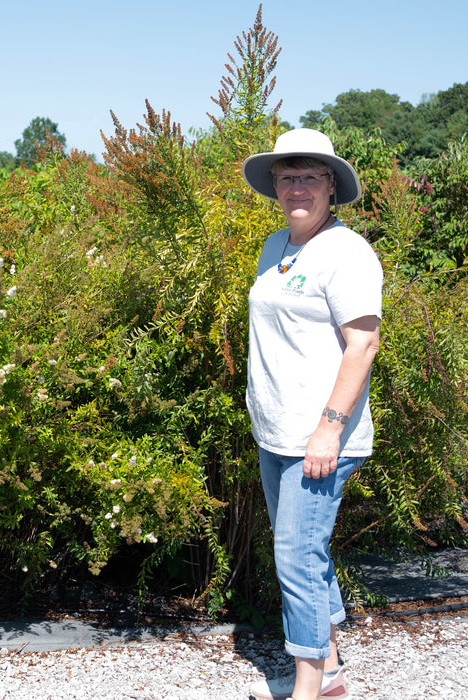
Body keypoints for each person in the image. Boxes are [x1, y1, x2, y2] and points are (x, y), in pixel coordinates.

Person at [241, 129, 383, 700]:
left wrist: (328, 427)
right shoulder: (275, 246)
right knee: (307, 553)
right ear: (275, 186)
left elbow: (363, 345)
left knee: (296, 561)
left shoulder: (347, 253)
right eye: (287, 176)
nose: (297, 187)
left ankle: (307, 692)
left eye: (310, 176)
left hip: (319, 439)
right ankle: (328, 671)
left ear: (331, 187)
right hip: (275, 433)